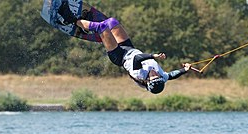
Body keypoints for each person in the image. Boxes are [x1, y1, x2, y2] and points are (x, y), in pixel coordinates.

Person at [58, 1, 192, 94]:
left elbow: (138, 59)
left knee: (102, 27)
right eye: (158, 76)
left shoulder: (139, 75)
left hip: (118, 56)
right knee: (112, 22)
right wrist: (185, 69)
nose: (155, 74)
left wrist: (153, 56)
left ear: (147, 81)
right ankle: (87, 27)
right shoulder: (161, 78)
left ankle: (70, 18)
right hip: (128, 47)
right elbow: (172, 75)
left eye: (153, 77)